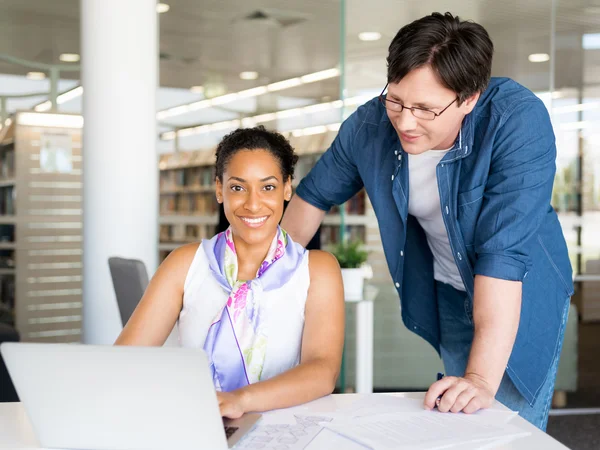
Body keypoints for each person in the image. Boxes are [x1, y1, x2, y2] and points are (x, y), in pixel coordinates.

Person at [281, 12, 573, 430]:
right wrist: (263, 288)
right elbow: (311, 200)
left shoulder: (516, 122)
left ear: (469, 98)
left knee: (505, 426)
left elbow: (503, 256)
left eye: (425, 109)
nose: (404, 120)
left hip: (519, 291)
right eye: (396, 99)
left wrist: (479, 377)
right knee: (460, 421)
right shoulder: (369, 125)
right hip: (449, 291)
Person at [116, 126, 344, 419]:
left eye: (268, 187)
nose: (252, 203)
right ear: (219, 190)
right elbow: (124, 360)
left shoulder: (318, 269)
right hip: (196, 423)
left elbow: (323, 370)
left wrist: (240, 400)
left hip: (283, 430)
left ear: (288, 188)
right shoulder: (185, 264)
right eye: (238, 187)